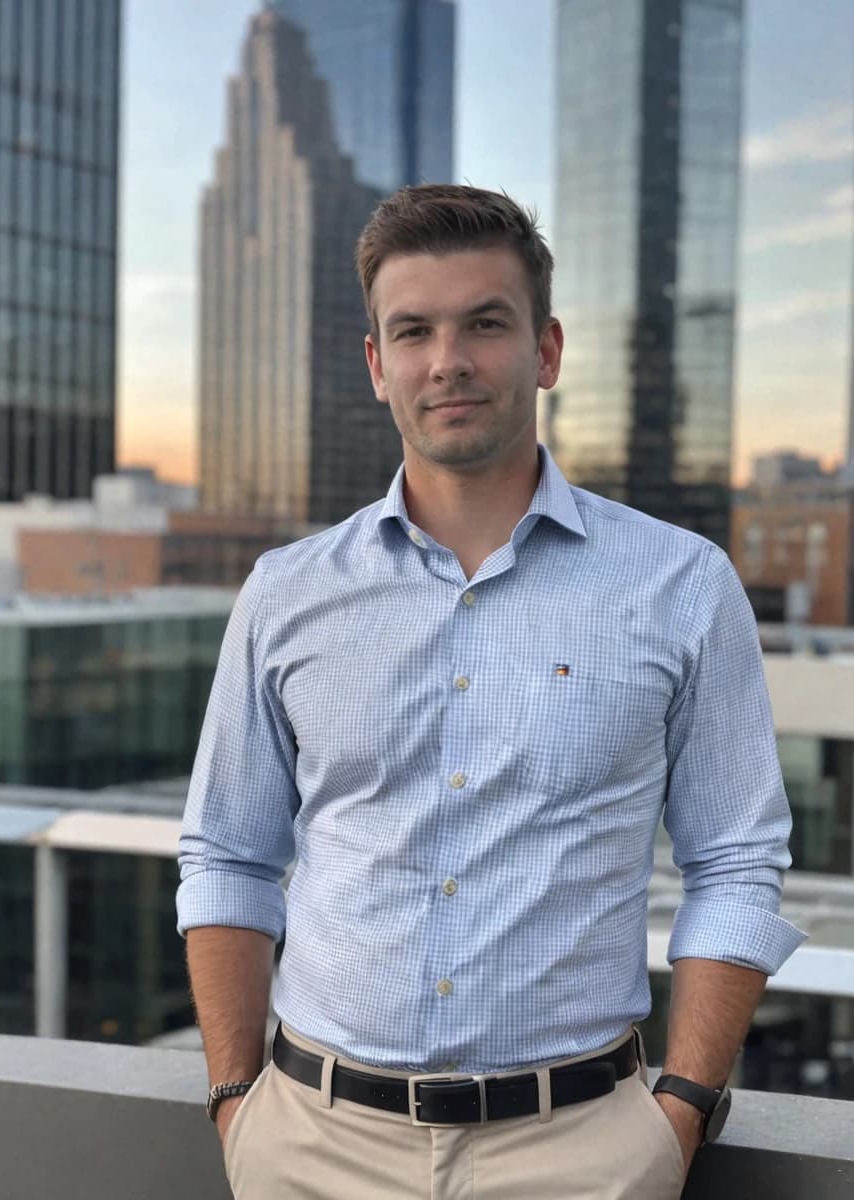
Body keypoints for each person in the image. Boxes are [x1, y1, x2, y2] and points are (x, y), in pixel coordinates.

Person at [177, 184, 805, 1199]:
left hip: (579, 1154)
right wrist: (234, 1103)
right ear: (377, 365)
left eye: (484, 324)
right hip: (309, 1147)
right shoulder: (286, 592)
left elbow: (734, 859)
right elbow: (227, 854)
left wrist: (677, 1113)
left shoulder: (679, 585)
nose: (448, 361)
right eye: (412, 331)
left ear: (544, 350)